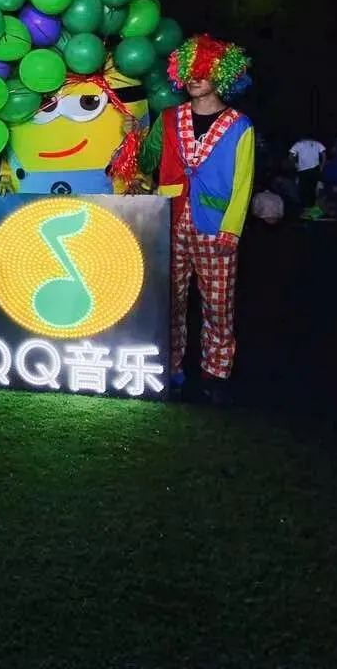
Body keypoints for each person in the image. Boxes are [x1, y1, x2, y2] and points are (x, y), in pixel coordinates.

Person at [136, 34, 254, 405]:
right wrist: (134, 143)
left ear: (222, 75)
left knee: (218, 305)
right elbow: (147, 161)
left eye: (204, 71)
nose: (195, 78)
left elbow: (243, 182)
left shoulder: (239, 125)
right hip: (170, 220)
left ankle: (215, 372)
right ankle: (169, 367)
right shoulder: (170, 118)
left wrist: (231, 229)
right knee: (168, 301)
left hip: (215, 225)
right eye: (190, 71)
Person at [289, 135, 326, 219]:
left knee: (305, 192)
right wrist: (322, 167)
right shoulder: (317, 143)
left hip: (303, 171)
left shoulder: (298, 144)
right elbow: (324, 155)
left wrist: (295, 164)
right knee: (313, 190)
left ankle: (309, 213)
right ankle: (313, 212)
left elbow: (290, 156)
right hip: (315, 170)